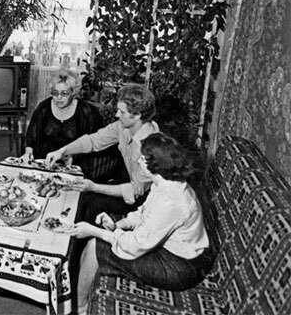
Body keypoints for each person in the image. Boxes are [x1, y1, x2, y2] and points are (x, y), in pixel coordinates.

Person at [68, 133, 211, 314]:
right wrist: (117, 225)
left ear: (156, 165)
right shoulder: (165, 182)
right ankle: (79, 304)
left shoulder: (171, 201)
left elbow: (134, 245)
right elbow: (143, 213)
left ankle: (80, 309)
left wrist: (93, 231)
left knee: (96, 245)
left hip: (181, 267)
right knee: (94, 243)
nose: (138, 161)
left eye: (143, 158)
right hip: (173, 251)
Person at [45, 83, 159, 220]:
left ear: (137, 115)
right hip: (129, 184)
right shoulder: (123, 126)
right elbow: (93, 140)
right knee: (82, 194)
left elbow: (136, 190)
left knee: (90, 201)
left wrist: (94, 187)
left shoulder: (151, 146)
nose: (117, 115)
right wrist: (62, 151)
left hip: (146, 201)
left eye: (122, 112)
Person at [20, 69, 104, 173]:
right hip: (44, 163)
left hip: (75, 164)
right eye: (55, 93)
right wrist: (28, 152)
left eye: (64, 93)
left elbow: (94, 143)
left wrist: (73, 157)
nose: (59, 98)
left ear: (73, 92)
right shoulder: (44, 107)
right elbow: (31, 137)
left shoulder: (86, 111)